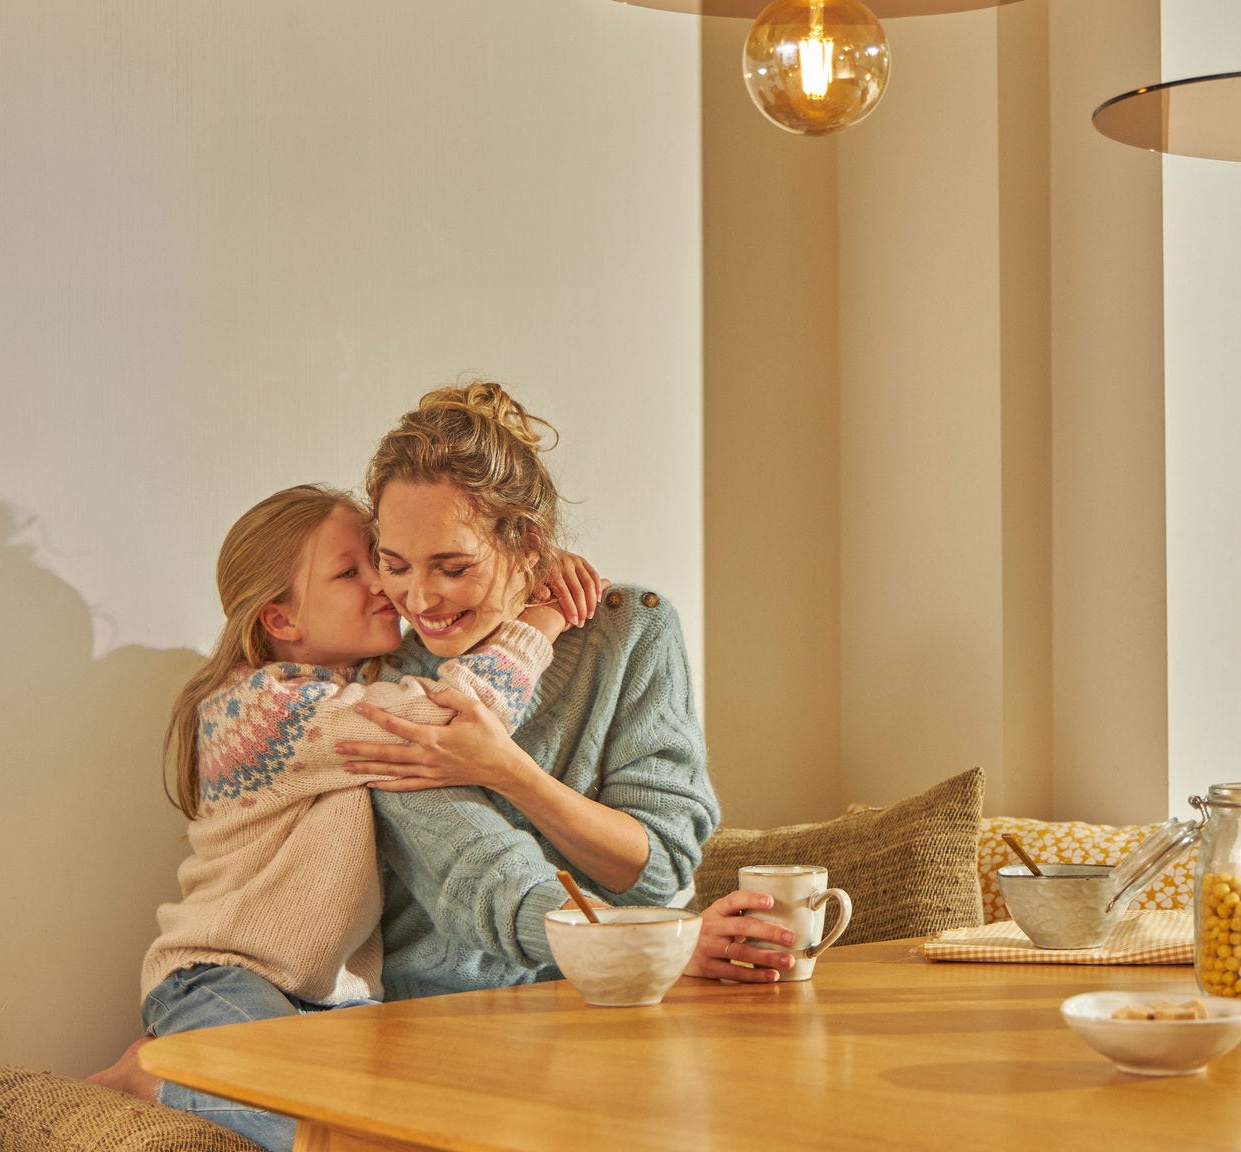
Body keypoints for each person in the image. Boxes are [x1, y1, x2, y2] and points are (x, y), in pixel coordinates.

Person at [92, 483, 580, 1151]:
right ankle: (158, 1075)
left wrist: (525, 573)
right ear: (281, 621)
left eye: (375, 561)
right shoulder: (263, 709)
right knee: (321, 1125)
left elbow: (446, 671)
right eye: (351, 572)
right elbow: (451, 718)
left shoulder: (349, 691)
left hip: (337, 1002)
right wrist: (543, 619)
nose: (385, 584)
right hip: (223, 974)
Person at [337, 380, 795, 997]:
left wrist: (508, 771)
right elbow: (484, 878)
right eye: (395, 565)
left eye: (454, 568)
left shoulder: (631, 630)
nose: (419, 600)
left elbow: (658, 869)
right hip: (441, 1010)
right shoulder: (381, 679)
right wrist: (649, 941)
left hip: (622, 995)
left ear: (527, 544)